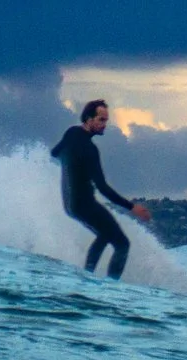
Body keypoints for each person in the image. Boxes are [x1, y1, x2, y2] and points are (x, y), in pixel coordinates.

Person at [51, 99, 150, 279]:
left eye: (106, 120)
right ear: (89, 119)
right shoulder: (90, 149)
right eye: (101, 120)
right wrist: (132, 207)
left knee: (104, 234)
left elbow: (54, 153)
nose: (105, 124)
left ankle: (87, 275)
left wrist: (71, 168)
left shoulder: (71, 133)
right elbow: (103, 188)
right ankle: (111, 285)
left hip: (69, 204)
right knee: (122, 244)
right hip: (84, 203)